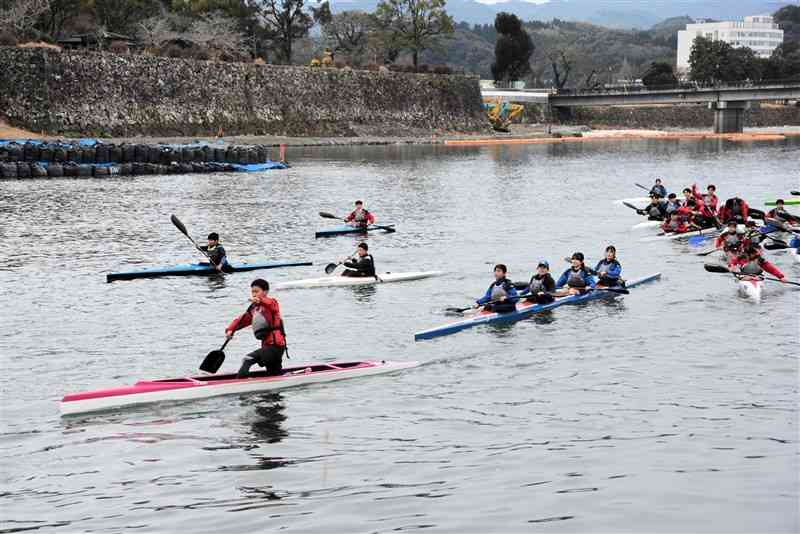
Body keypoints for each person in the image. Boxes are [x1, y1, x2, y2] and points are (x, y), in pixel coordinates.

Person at [226, 279, 286, 379]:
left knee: (247, 359)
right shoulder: (254, 309)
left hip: (275, 346)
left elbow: (269, 303)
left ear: (265, 292)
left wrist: (261, 300)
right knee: (274, 374)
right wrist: (230, 330)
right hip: (266, 346)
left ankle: (239, 383)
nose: (254, 294)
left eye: (256, 291)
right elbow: (242, 320)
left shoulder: (272, 303)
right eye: (252, 292)